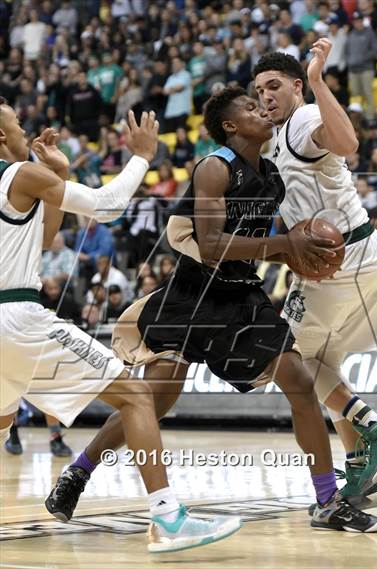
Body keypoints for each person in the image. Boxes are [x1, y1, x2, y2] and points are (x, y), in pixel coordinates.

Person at [48, 87, 377, 533]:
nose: (261, 108)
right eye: (249, 106)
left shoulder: (271, 175)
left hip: (241, 294)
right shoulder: (213, 167)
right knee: (154, 400)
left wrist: (298, 256)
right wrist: (286, 244)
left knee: (301, 382)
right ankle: (79, 470)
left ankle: (326, 500)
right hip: (192, 295)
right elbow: (209, 245)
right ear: (230, 126)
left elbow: (257, 245)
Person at [0, 101, 240, 553]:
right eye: (16, 122)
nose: (23, 129)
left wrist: (61, 172)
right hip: (17, 316)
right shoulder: (17, 175)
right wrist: (142, 155)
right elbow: (106, 207)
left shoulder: (21, 182)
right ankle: (168, 517)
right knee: (136, 395)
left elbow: (44, 239)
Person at [253, 45, 377, 511]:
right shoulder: (281, 135)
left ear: (296, 86)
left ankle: (373, 422)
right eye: (260, 90)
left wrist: (320, 81)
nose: (266, 97)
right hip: (360, 253)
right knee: (326, 368)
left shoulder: (301, 121)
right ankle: (365, 472)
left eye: (274, 86)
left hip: (336, 263)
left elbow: (346, 144)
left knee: (292, 362)